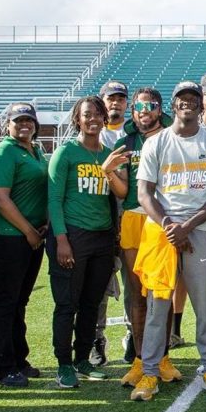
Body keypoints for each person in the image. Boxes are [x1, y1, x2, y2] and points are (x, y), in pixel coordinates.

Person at [135, 81, 206, 398]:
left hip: (199, 231)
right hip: (161, 232)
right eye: (181, 99)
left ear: (201, 106)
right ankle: (149, 372)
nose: (187, 103)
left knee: (204, 304)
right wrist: (169, 226)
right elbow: (144, 193)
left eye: (193, 99)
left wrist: (186, 227)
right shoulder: (156, 143)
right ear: (173, 106)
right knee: (157, 306)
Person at [47, 96, 130, 388]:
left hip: (102, 238)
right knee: (67, 303)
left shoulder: (109, 154)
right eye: (86, 115)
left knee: (91, 304)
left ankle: (83, 358)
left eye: (97, 114)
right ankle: (63, 363)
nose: (93, 119)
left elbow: (117, 197)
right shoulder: (66, 152)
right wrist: (61, 240)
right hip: (73, 235)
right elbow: (54, 200)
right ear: (77, 120)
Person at [0, 103, 49, 387]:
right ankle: (0, 366)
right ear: (7, 124)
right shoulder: (5, 151)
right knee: (6, 300)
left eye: (29, 121)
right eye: (18, 120)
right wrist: (28, 231)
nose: (25, 125)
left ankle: (18, 359)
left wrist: (41, 226)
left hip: (30, 234)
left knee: (20, 300)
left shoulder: (35, 150)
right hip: (10, 235)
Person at [112, 88, 167, 385]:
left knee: (162, 291)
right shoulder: (125, 143)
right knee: (136, 292)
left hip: (162, 219)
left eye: (151, 105)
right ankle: (141, 358)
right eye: (139, 106)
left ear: (160, 109)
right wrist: (109, 173)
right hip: (133, 217)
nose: (144, 110)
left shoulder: (172, 138)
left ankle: (164, 356)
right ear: (132, 112)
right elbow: (122, 191)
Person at [94, 79, 131, 366]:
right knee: (100, 284)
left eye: (120, 98)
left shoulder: (132, 135)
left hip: (129, 216)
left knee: (135, 281)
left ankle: (134, 336)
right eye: (111, 98)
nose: (115, 103)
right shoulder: (93, 135)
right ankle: (97, 339)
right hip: (100, 219)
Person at [99, 80, 130, 149]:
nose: (116, 103)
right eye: (111, 99)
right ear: (101, 103)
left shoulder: (136, 129)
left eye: (121, 99)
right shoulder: (91, 131)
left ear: (127, 105)